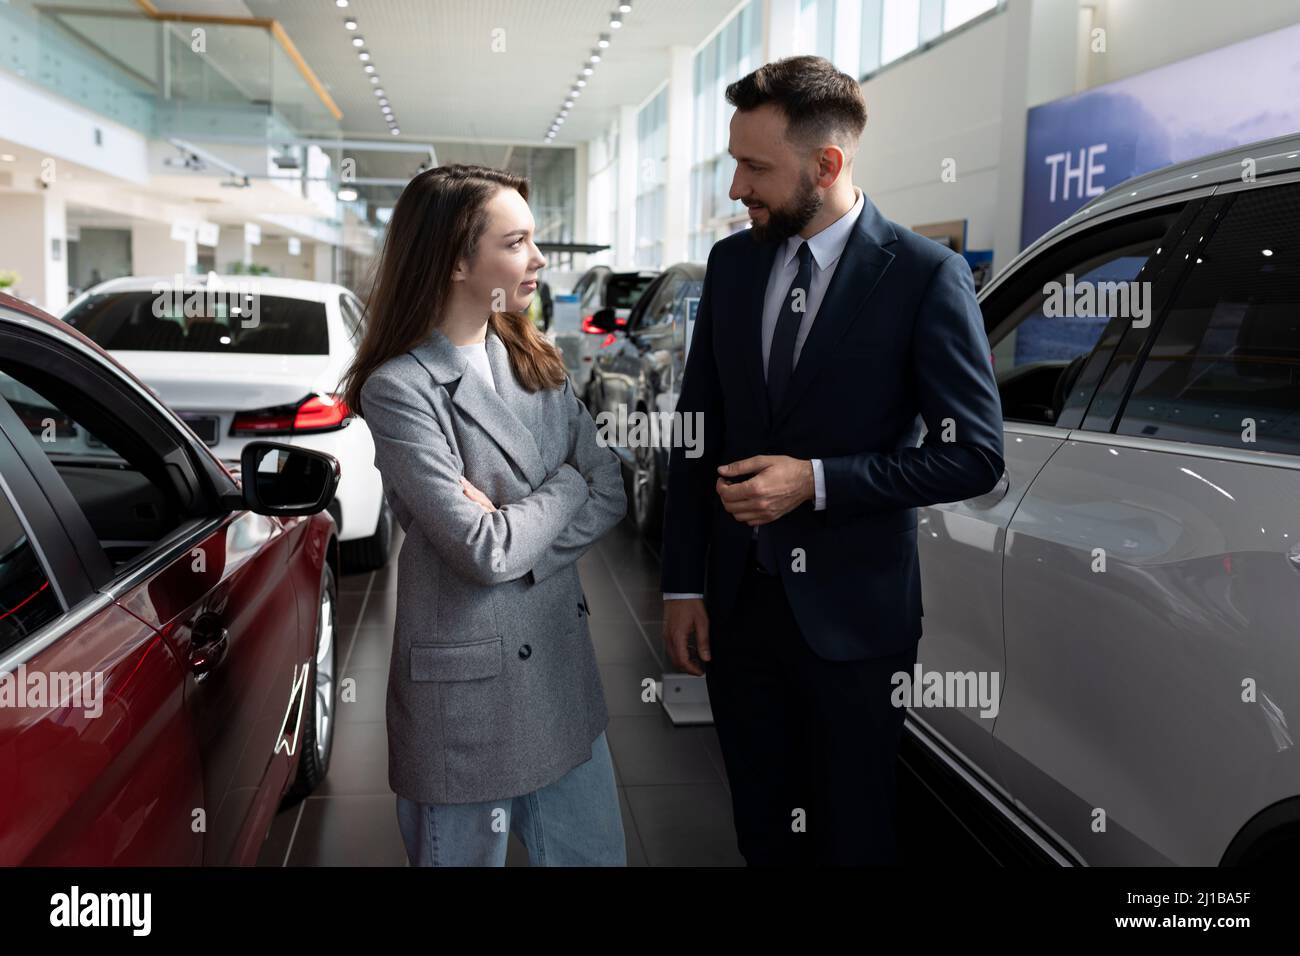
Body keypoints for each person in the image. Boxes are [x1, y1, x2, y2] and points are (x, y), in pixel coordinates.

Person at [659, 56, 1005, 866]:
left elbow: (975, 457)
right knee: (761, 827)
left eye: (756, 168)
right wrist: (682, 584)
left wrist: (815, 482)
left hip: (856, 624)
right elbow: (695, 430)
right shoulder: (735, 265)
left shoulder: (924, 275)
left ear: (828, 164)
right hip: (739, 613)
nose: (738, 188)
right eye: (734, 163)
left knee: (852, 834)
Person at [340, 164, 628, 866]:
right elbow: (480, 551)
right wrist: (562, 490)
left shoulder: (536, 358)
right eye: (517, 242)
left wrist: (514, 532)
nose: (536, 260)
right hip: (464, 700)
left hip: (561, 680)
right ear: (457, 260)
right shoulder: (401, 388)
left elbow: (611, 488)